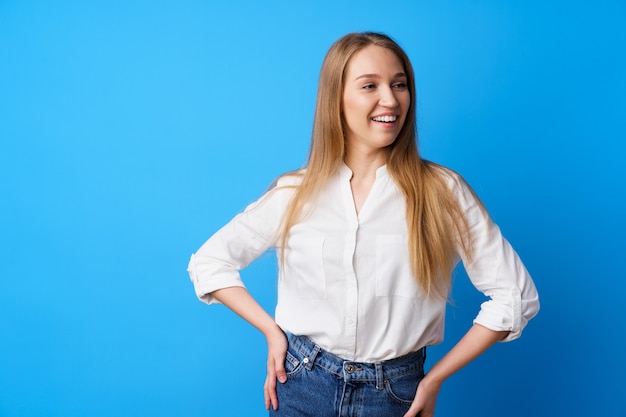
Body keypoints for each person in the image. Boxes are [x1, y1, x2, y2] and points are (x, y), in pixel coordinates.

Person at [187, 32, 539, 417]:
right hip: (301, 384)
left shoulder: (443, 191)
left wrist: (435, 378)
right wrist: (272, 331)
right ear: (336, 99)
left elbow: (515, 296)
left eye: (399, 84)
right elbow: (209, 263)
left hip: (395, 396)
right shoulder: (296, 192)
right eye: (370, 85)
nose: (390, 99)